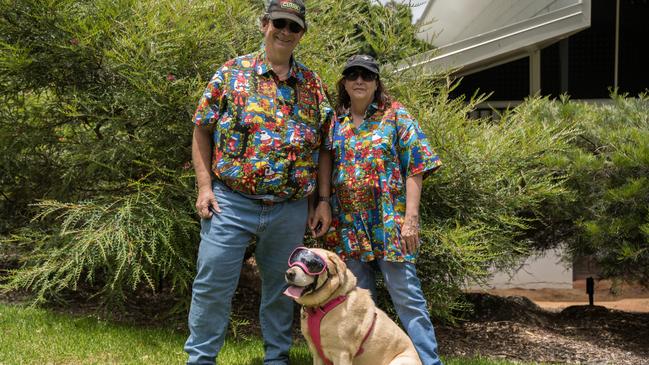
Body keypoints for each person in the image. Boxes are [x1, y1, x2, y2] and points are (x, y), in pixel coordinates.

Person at [185, 0, 333, 363]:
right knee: (212, 286)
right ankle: (201, 359)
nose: (285, 31)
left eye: (293, 26)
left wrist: (322, 201)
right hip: (231, 202)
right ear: (265, 24)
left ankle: (276, 359)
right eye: (279, 23)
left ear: (301, 35)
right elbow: (201, 130)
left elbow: (326, 147)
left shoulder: (312, 85)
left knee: (285, 288)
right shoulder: (232, 73)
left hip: (288, 208)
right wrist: (204, 187)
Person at [323, 54, 444, 365]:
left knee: (407, 298)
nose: (359, 80)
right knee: (357, 303)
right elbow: (324, 161)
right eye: (353, 75)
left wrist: (411, 220)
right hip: (348, 225)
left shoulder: (396, 115)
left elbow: (416, 166)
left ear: (376, 83)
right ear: (344, 83)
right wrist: (323, 202)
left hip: (390, 224)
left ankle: (429, 361)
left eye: (367, 75)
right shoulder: (336, 122)